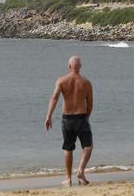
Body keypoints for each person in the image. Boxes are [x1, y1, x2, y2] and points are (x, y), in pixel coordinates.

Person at [45, 56, 94, 186]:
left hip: (67, 118)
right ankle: (81, 170)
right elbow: (90, 104)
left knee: (68, 148)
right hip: (81, 117)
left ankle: (68, 178)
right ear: (80, 67)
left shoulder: (61, 80)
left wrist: (49, 116)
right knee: (88, 146)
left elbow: (54, 98)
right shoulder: (86, 83)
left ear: (69, 66)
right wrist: (86, 118)